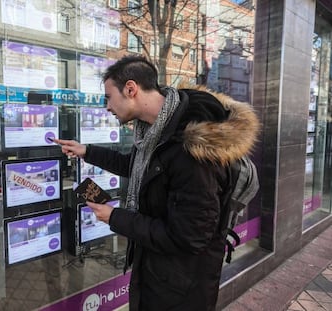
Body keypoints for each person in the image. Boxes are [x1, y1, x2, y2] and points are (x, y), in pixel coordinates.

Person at [56, 55, 259, 311]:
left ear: (131, 89)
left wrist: (115, 217)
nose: (107, 106)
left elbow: (189, 238)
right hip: (160, 275)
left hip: (181, 289)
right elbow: (134, 164)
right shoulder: (158, 131)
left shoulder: (191, 151)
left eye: (108, 97)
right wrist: (86, 151)